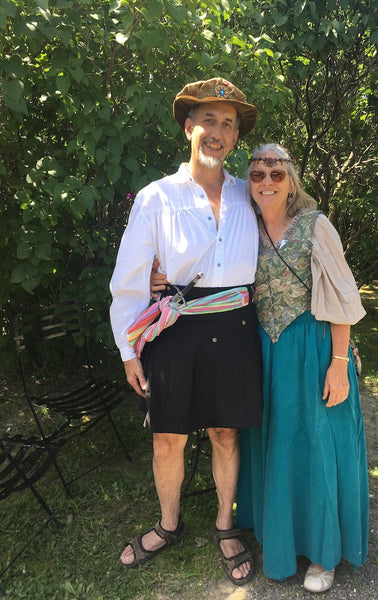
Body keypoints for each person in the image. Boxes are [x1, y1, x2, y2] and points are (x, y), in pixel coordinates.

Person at [109, 78, 263, 585]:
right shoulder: (156, 197)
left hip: (235, 327)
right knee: (167, 440)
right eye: (208, 121)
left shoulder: (253, 195)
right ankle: (169, 524)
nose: (216, 132)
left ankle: (224, 524)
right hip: (175, 331)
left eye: (228, 124)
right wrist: (129, 351)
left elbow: (289, 245)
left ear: (236, 137)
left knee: (225, 431)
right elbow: (131, 277)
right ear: (187, 127)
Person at [234, 143, 369, 592]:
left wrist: (337, 364)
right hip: (264, 353)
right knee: (275, 441)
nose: (267, 181)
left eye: (277, 172)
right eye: (257, 174)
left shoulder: (316, 225)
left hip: (313, 350)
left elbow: (344, 301)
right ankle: (279, 538)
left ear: (291, 178)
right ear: (248, 182)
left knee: (316, 446)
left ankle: (323, 554)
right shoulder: (242, 228)